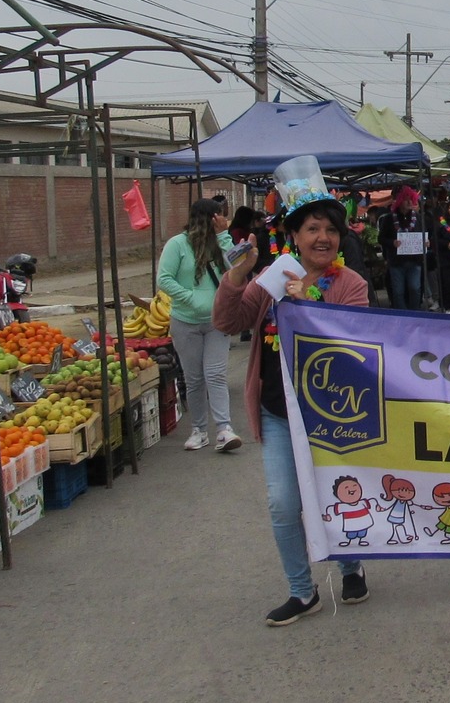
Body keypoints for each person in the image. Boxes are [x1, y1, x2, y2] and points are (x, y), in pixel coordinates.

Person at [213, 184, 372, 626]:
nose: (323, 238)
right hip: (278, 412)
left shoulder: (351, 283)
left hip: (332, 416)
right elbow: (228, 322)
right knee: (285, 504)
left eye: (331, 230)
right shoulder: (272, 277)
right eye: (312, 229)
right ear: (294, 236)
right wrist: (237, 276)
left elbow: (351, 341)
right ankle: (302, 592)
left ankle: (349, 564)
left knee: (335, 494)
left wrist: (308, 302)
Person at [159, 198, 240, 454]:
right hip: (185, 322)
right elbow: (164, 278)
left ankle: (224, 429)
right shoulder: (177, 245)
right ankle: (199, 430)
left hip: (217, 321)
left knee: (215, 374)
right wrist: (191, 298)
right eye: (218, 216)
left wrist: (225, 236)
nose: (221, 219)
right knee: (194, 378)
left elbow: (237, 267)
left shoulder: (220, 243)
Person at [378, 186, 427, 312]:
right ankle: (403, 315)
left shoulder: (417, 217)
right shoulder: (389, 219)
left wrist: (426, 242)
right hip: (396, 262)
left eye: (411, 199)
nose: (410, 202)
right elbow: (381, 239)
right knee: (398, 291)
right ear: (400, 201)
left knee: (415, 288)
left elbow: (424, 234)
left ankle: (415, 313)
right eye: (406, 199)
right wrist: (392, 242)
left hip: (415, 260)